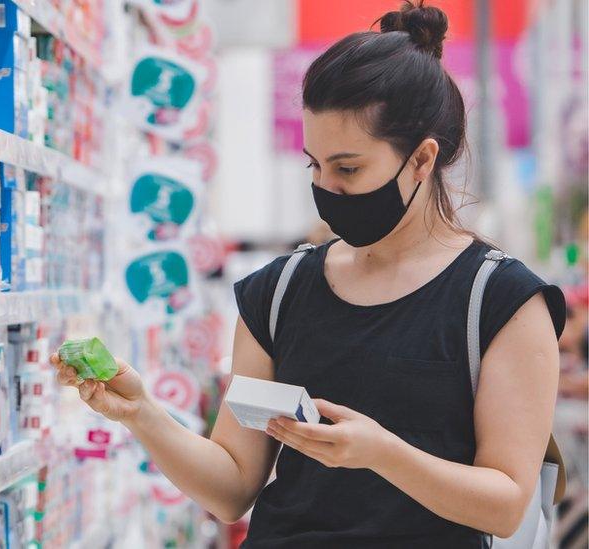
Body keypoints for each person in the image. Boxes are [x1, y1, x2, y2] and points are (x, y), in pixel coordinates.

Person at [50, 2, 567, 547]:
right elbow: (232, 488)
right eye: (314, 166)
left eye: (348, 168)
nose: (327, 190)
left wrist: (383, 454)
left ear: (420, 160)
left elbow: (506, 504)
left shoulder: (501, 301)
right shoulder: (279, 292)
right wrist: (143, 415)